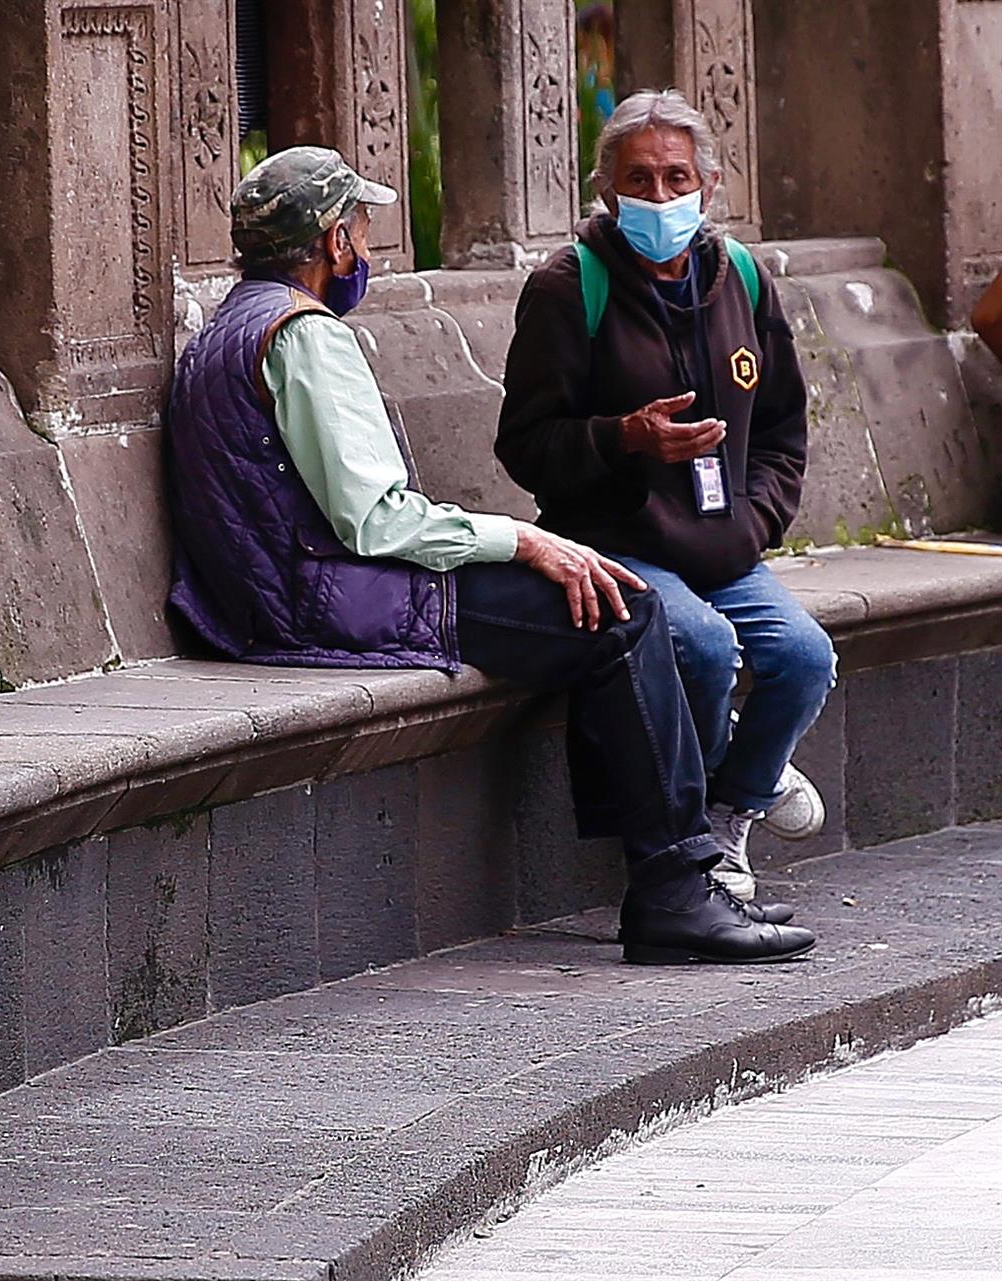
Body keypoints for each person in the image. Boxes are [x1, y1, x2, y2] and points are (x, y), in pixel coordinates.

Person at [165, 145, 815, 965]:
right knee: (623, 611)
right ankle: (674, 886)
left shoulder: (236, 318)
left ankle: (681, 873)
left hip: (278, 584)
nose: (366, 250)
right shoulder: (305, 336)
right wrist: (525, 538)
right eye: (361, 231)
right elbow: (375, 521)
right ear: (332, 243)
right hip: (322, 593)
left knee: (602, 596)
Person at [497, 90, 835, 908]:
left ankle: (730, 809)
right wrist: (625, 437)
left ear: (707, 187)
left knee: (803, 657)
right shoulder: (567, 286)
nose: (659, 197)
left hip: (725, 542)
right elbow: (524, 445)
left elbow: (786, 426)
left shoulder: (741, 278)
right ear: (607, 190)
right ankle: (695, 838)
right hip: (619, 539)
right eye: (640, 181)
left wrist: (753, 520)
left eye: (676, 178)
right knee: (705, 646)